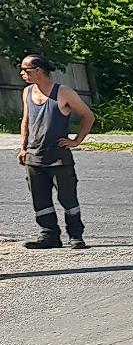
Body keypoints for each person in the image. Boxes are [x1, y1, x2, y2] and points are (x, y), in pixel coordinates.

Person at [16, 55, 93, 249]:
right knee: (40, 198)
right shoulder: (27, 92)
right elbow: (25, 121)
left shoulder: (64, 92)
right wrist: (23, 148)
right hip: (34, 156)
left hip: (59, 157)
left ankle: (75, 235)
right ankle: (49, 235)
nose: (22, 73)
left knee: (67, 197)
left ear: (38, 70)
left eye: (26, 70)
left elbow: (88, 116)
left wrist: (76, 141)